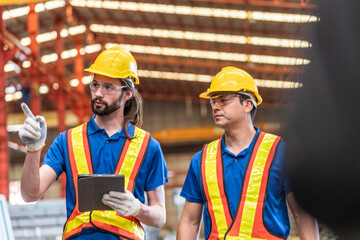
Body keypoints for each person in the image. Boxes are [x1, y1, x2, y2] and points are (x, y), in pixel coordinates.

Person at [18, 46, 168, 240]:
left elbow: (159, 217)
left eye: (108, 87)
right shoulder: (67, 141)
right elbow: (30, 195)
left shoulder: (148, 146)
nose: (98, 93)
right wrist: (33, 149)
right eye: (95, 84)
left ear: (128, 94)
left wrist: (137, 208)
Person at [176, 66, 319, 240]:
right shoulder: (202, 160)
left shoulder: (280, 153)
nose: (215, 107)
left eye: (223, 100)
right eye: (213, 101)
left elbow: (303, 215)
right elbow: (190, 221)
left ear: (248, 104)